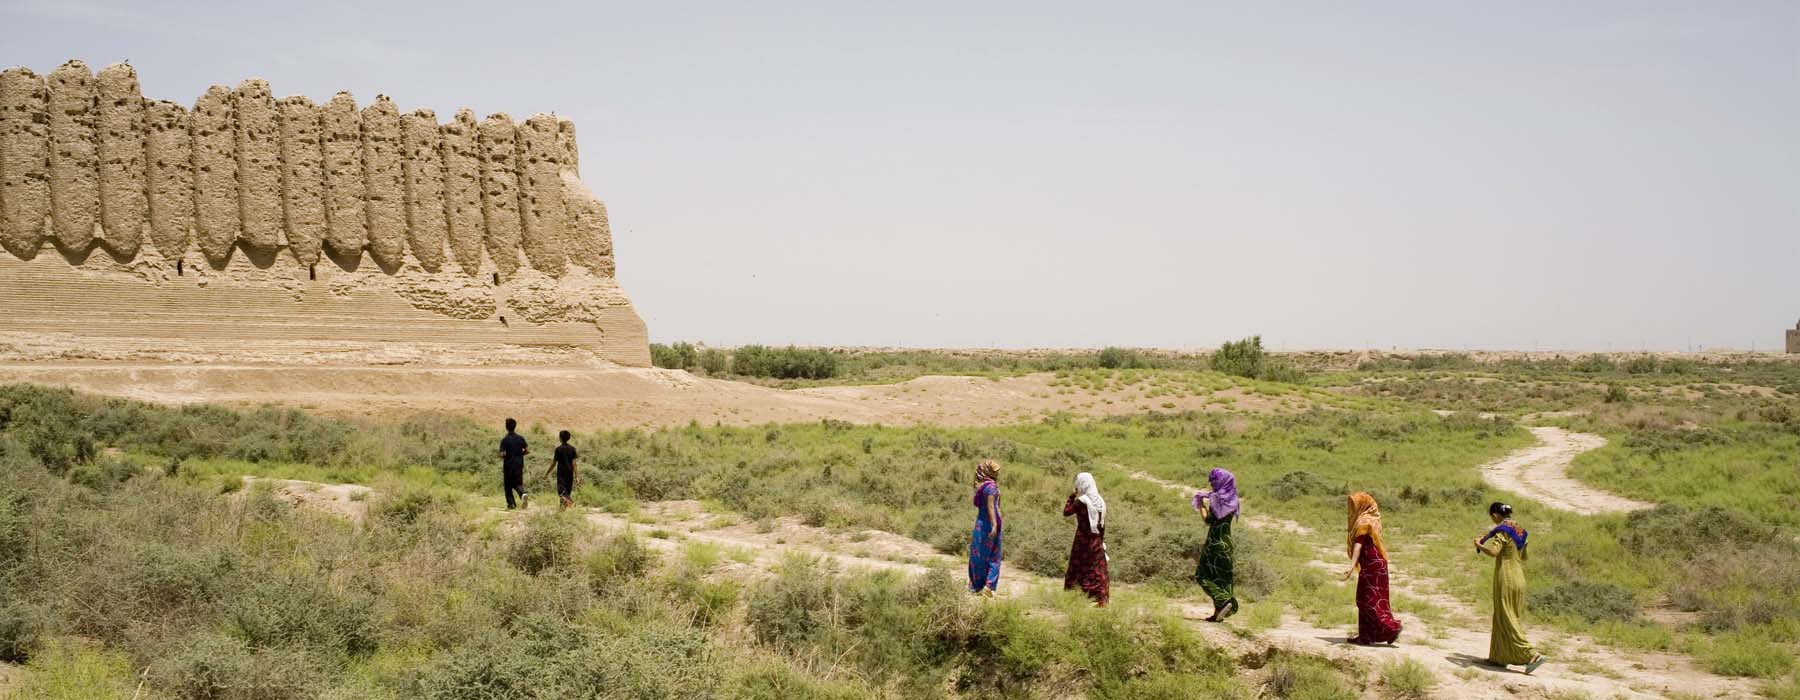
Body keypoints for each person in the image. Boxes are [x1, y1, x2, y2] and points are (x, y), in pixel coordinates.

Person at [1474, 502, 1547, 674]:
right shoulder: (1520, 531)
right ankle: (1499, 657)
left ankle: (1531, 654)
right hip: (1519, 577)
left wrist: (1479, 544)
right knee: (1505, 614)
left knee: (1506, 616)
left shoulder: (1502, 531)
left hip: (1505, 577)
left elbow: (1494, 552)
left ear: (1495, 515)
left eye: (1492, 516)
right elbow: (1524, 556)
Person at [1342, 492, 1402, 645]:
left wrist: (1351, 566)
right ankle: (1366, 636)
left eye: (1355, 505)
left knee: (1369, 600)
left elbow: (1358, 545)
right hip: (1376, 563)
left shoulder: (1364, 521)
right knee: (1368, 599)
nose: (1352, 509)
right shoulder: (1372, 519)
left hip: (1372, 564)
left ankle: (1391, 628)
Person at [1193, 468, 1240, 621]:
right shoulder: (1233, 500)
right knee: (1223, 578)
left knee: (1202, 575)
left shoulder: (1216, 499)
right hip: (1227, 543)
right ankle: (1218, 613)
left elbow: (1208, 520)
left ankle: (1222, 601)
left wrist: (1201, 505)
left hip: (1214, 542)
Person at [1063, 472, 1109, 606]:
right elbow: (1102, 524)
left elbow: (1066, 512)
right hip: (1096, 540)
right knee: (1096, 569)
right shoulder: (1100, 502)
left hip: (1082, 541)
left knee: (1078, 568)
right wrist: (1101, 541)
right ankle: (1099, 598)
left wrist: (1072, 496)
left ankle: (1076, 595)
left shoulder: (1081, 502)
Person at [968, 459, 1004, 596]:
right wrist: (996, 524)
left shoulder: (982, 487)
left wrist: (995, 524)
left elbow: (990, 506)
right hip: (992, 523)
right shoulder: (992, 487)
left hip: (982, 524)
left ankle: (977, 585)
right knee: (994, 556)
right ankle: (989, 585)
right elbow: (993, 507)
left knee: (978, 554)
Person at [498, 418, 530, 510]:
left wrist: (504, 457)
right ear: (515, 426)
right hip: (519, 464)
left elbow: (502, 454)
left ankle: (511, 504)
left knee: (508, 485)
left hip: (508, 465)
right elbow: (527, 451)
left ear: (506, 427)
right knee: (518, 483)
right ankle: (523, 494)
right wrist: (520, 454)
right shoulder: (521, 438)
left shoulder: (505, 440)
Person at [543, 430, 578, 509]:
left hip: (561, 474)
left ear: (560, 438)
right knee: (566, 493)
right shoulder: (573, 449)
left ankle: (571, 502)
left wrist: (547, 473)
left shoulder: (558, 449)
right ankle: (562, 511)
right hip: (570, 474)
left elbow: (554, 463)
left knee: (562, 493)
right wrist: (577, 476)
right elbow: (574, 464)